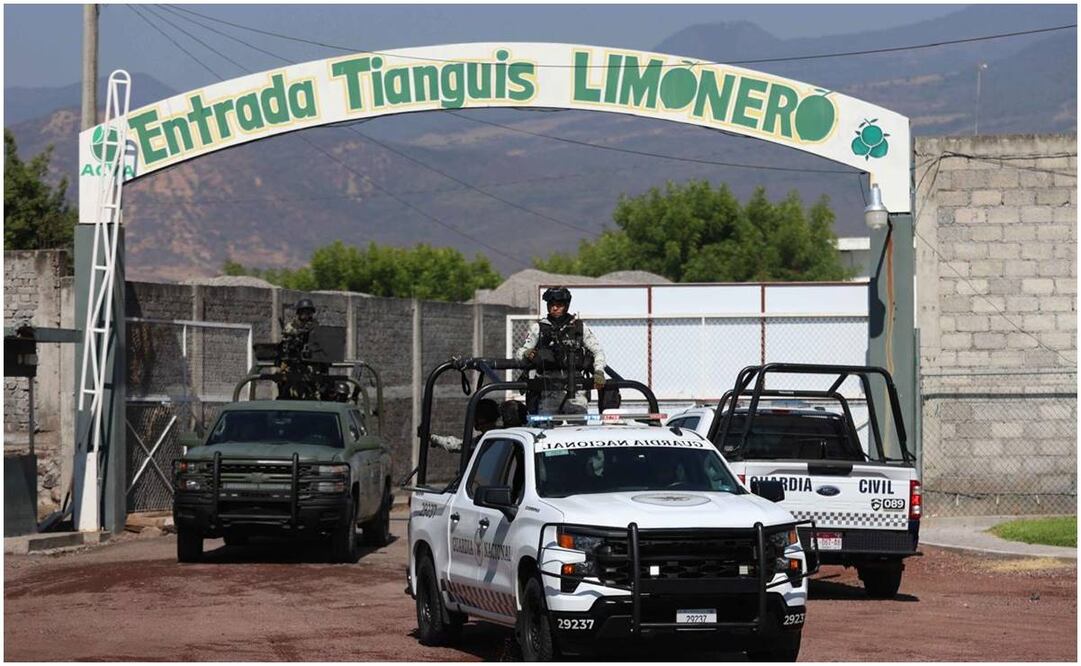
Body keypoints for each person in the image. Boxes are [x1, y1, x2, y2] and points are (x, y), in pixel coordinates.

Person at [515, 286, 607, 415]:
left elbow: (598, 351)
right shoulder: (538, 328)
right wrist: (525, 353)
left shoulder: (579, 327)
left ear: (566, 306)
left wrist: (599, 372)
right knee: (546, 430)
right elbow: (520, 353)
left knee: (578, 430)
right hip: (548, 388)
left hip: (576, 388)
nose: (554, 308)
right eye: (551, 305)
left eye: (559, 305)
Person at [430, 398, 500, 453]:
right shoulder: (490, 437)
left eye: (476, 416)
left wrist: (432, 438)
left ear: (482, 419)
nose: (473, 420)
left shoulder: (490, 441)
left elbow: (459, 446)